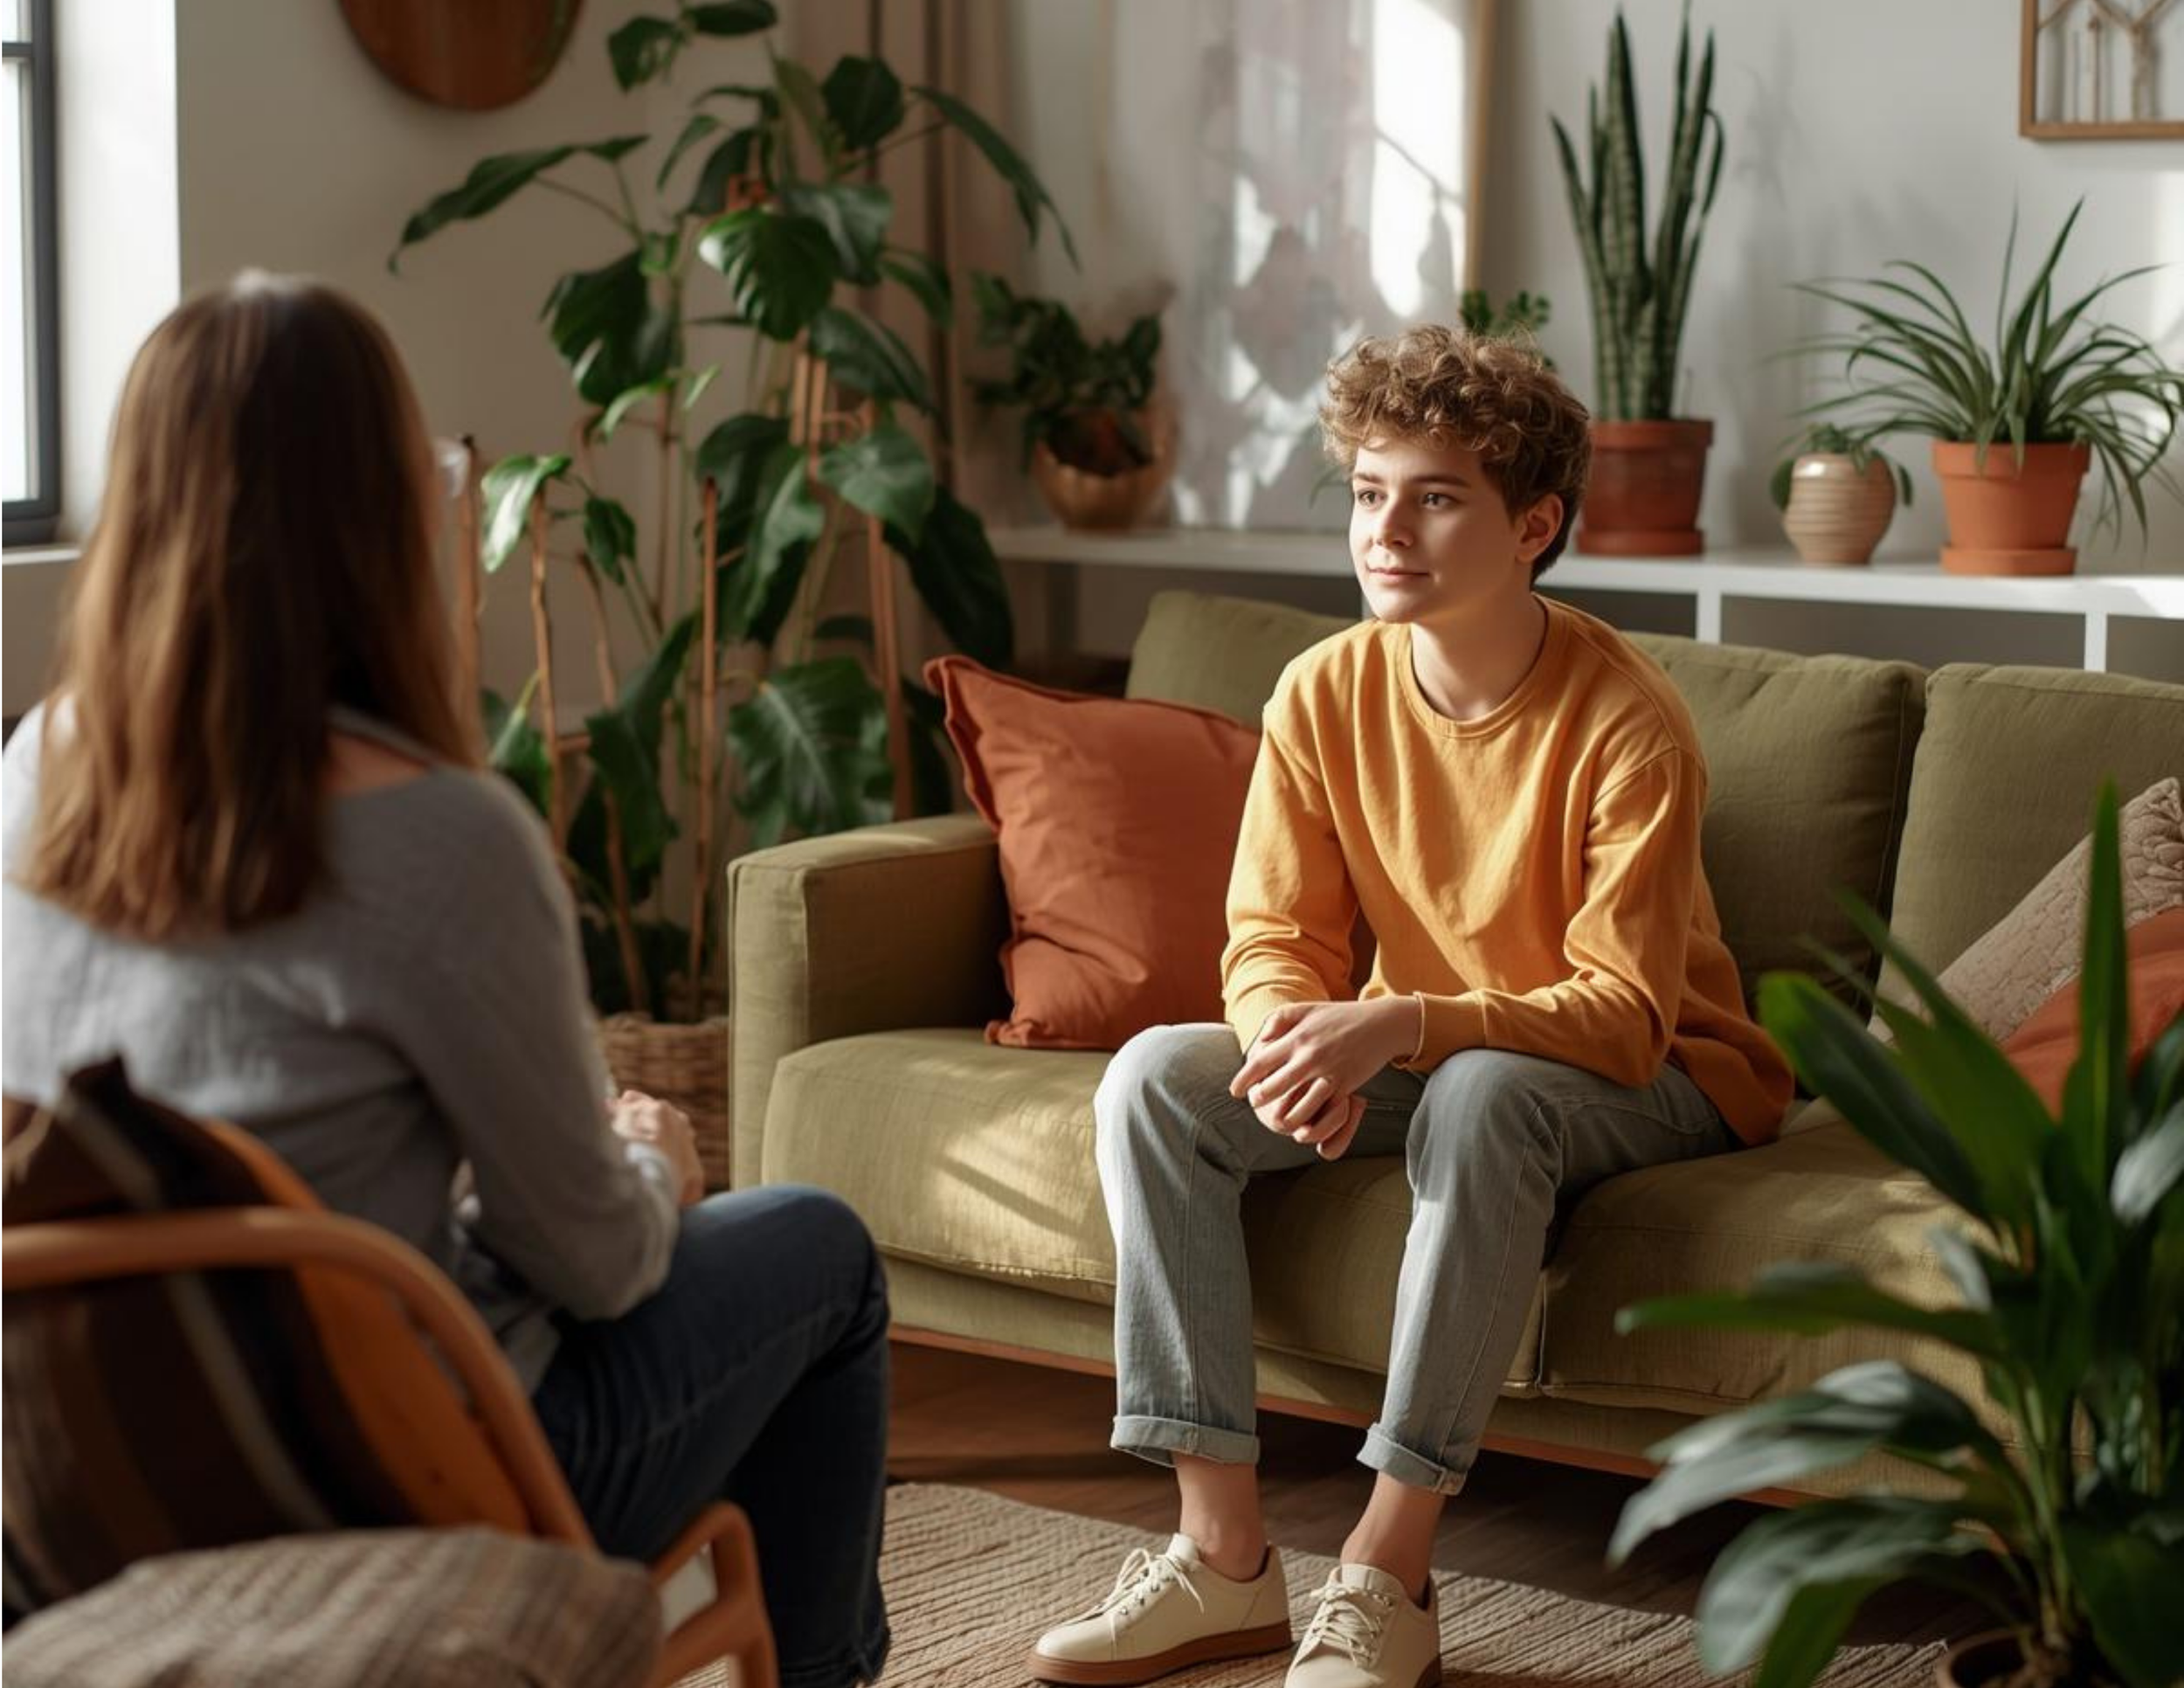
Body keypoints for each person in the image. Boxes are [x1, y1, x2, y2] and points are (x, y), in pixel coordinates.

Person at [0, 273, 890, 1688]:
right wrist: (652, 1159)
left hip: (98, 1472)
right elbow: (591, 1268)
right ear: (382, 511)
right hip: (386, 1470)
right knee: (823, 1250)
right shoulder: (437, 835)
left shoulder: (35, 774)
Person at [1028, 326, 1793, 1688]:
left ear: (1533, 524)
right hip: (1435, 1052)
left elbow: (1621, 1011)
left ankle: (1389, 1573)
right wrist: (1288, 1048)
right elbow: (1272, 938)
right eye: (1373, 491)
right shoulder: (1325, 690)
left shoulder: (1630, 721)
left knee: (1486, 1090)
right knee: (1157, 1078)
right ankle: (1223, 1562)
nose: (1389, 530)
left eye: (1436, 497)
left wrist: (1401, 1024)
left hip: (1662, 1069)